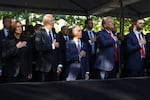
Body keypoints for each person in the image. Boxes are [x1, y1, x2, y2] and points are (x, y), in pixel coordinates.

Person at [35, 14, 62, 82]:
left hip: (54, 67)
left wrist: (59, 64)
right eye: (51, 20)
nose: (53, 22)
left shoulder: (55, 34)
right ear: (46, 22)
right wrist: (52, 46)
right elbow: (38, 47)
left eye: (53, 20)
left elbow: (59, 51)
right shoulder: (39, 33)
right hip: (43, 67)